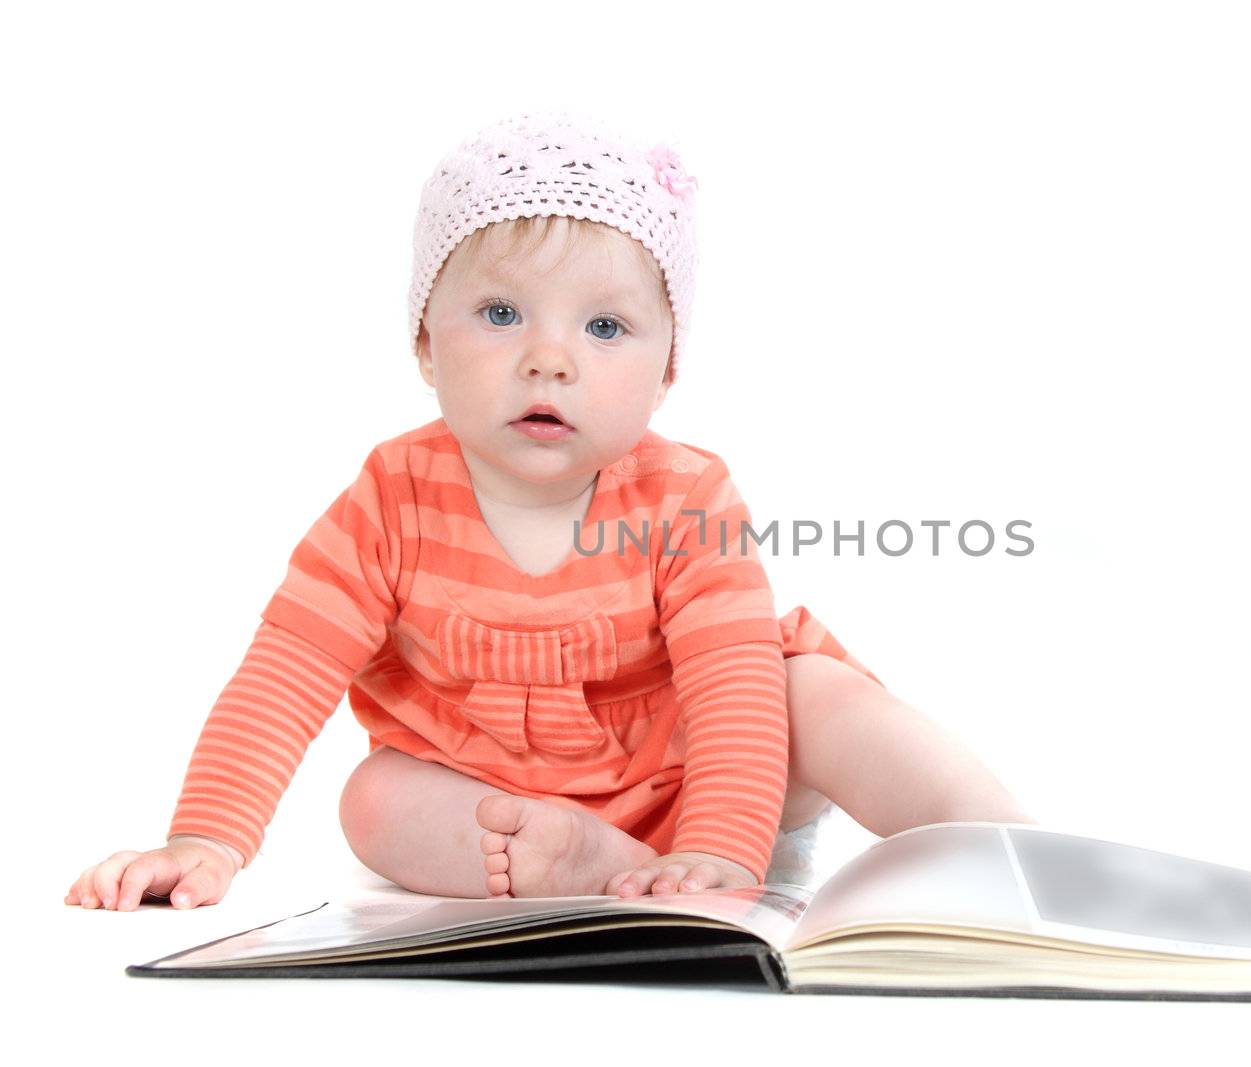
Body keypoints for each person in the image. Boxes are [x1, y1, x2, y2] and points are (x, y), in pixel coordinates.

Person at [64, 111, 1036, 913]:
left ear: (664, 371)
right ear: (422, 342)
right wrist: (205, 837)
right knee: (375, 800)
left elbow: (731, 691)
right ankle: (587, 861)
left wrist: (717, 851)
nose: (549, 357)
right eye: (500, 314)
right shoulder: (389, 498)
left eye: (604, 325)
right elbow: (285, 672)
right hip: (506, 794)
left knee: (812, 692)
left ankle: (1008, 847)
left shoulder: (683, 494)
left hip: (716, 773)